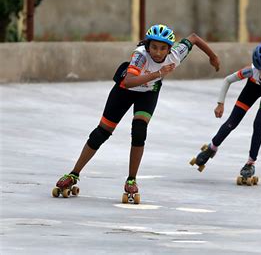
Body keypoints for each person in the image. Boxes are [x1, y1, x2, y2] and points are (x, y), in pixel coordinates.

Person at [53, 24, 220, 201]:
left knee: (139, 131)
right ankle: (73, 174)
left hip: (148, 93)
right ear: (147, 45)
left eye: (163, 48)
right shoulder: (140, 55)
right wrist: (158, 73)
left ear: (169, 49)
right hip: (124, 91)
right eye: (154, 47)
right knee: (101, 133)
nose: (157, 52)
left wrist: (213, 57)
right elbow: (129, 81)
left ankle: (131, 180)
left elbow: (193, 37)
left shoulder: (175, 55)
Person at [190, 42, 261, 185]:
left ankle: (250, 163)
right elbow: (228, 80)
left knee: (259, 123)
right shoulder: (252, 71)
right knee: (232, 122)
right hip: (252, 88)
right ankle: (211, 148)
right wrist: (220, 103)